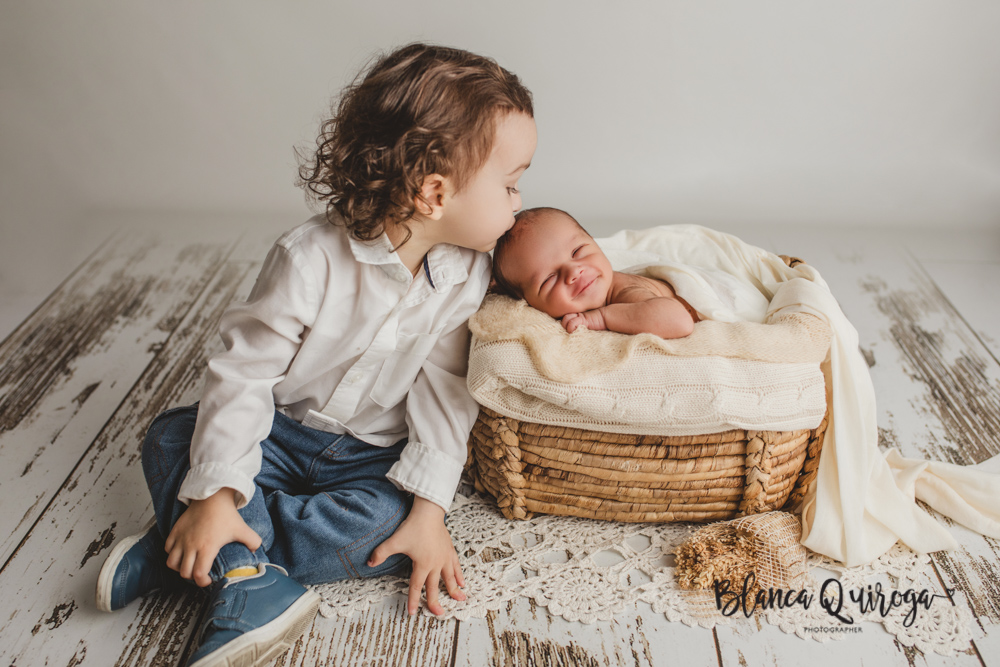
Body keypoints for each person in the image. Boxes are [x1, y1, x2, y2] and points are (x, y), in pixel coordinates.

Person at [95, 43, 536, 667]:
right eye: (512, 184)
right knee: (171, 438)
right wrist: (220, 491)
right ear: (436, 193)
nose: (519, 201)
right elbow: (245, 374)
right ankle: (239, 565)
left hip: (367, 458)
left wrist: (431, 512)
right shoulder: (309, 258)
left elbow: (444, 390)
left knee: (387, 524)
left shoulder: (468, 276)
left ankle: (195, 549)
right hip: (277, 432)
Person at [491, 207, 698, 338]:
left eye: (577, 251)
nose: (574, 271)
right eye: (549, 279)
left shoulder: (626, 292)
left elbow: (679, 321)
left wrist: (600, 318)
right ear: (526, 300)